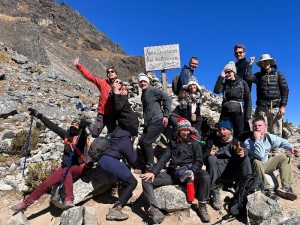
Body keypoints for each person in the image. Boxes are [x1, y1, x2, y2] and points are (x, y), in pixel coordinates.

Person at [11, 108, 92, 212]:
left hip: (79, 167)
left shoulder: (80, 138)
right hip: (65, 167)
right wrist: (39, 115)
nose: (73, 127)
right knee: (45, 184)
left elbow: (83, 136)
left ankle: (69, 199)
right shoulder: (66, 136)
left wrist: (83, 127)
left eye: (76, 126)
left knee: (66, 171)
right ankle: (26, 203)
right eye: (72, 125)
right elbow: (53, 126)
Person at [141, 117, 211, 223]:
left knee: (205, 175)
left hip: (191, 172)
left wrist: (193, 170)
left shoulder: (195, 143)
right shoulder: (173, 143)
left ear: (190, 130)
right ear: (178, 130)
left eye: (187, 130)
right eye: (183, 129)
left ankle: (202, 206)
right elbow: (163, 159)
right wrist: (153, 172)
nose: (185, 132)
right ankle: (153, 209)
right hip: (174, 174)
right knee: (146, 180)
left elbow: (199, 160)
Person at [244, 117, 298, 201]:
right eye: (255, 126)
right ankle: (265, 189)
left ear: (265, 127)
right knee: (256, 161)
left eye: (260, 125)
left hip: (265, 165)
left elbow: (281, 141)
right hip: (255, 168)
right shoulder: (248, 142)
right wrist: (258, 139)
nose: (257, 127)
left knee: (283, 157)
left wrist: (290, 147)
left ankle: (287, 187)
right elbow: (260, 155)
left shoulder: (268, 137)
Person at [204, 120, 252, 211]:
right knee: (211, 158)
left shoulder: (236, 142)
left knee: (245, 159)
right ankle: (214, 190)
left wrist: (242, 153)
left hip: (232, 172)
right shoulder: (212, 141)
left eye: (224, 129)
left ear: (230, 131)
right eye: (219, 129)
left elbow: (244, 150)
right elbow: (204, 157)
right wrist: (209, 155)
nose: (221, 132)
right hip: (217, 174)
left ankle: (246, 189)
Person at [97, 126, 140, 221]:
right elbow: (133, 161)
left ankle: (125, 196)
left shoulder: (113, 136)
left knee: (125, 170)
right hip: (110, 161)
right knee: (133, 182)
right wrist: (134, 147)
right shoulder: (125, 139)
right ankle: (115, 209)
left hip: (102, 161)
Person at [74, 58, 124, 137]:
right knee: (94, 134)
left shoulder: (120, 85)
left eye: (112, 71)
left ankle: (107, 146)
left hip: (113, 115)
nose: (110, 73)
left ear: (116, 74)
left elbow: (124, 97)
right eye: (108, 72)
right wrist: (78, 65)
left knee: (111, 136)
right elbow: (90, 76)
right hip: (102, 114)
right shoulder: (102, 82)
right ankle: (89, 122)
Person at [246, 54, 289, 137]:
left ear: (270, 63)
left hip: (276, 108)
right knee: (261, 131)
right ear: (261, 64)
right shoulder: (258, 76)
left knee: (276, 131)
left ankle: (275, 149)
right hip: (262, 108)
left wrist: (283, 106)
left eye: (267, 61)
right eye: (263, 62)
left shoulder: (278, 74)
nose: (265, 63)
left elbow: (285, 90)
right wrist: (250, 64)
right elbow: (248, 77)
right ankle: (263, 149)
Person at [138, 73, 172, 170]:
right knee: (141, 142)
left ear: (148, 82)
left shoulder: (153, 90)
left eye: (144, 81)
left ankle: (151, 166)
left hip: (158, 120)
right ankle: (145, 164)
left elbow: (167, 98)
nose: (142, 83)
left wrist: (166, 115)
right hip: (150, 123)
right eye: (141, 82)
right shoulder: (143, 95)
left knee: (146, 142)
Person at [214, 61, 251, 137]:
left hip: (239, 112)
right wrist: (221, 77)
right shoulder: (224, 85)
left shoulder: (242, 83)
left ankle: (238, 148)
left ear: (234, 72)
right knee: (225, 133)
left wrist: (247, 115)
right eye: (226, 72)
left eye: (229, 72)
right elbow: (216, 91)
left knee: (239, 134)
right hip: (226, 113)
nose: (227, 74)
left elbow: (248, 99)